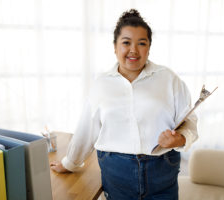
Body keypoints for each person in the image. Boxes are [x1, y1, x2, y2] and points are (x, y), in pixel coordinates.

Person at [50, 9, 198, 200]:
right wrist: (69, 163)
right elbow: (87, 130)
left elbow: (190, 122)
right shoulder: (101, 84)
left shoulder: (169, 79)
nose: (133, 50)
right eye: (126, 42)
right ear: (115, 46)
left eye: (141, 43)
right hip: (117, 173)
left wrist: (180, 139)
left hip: (162, 170)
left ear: (149, 47)